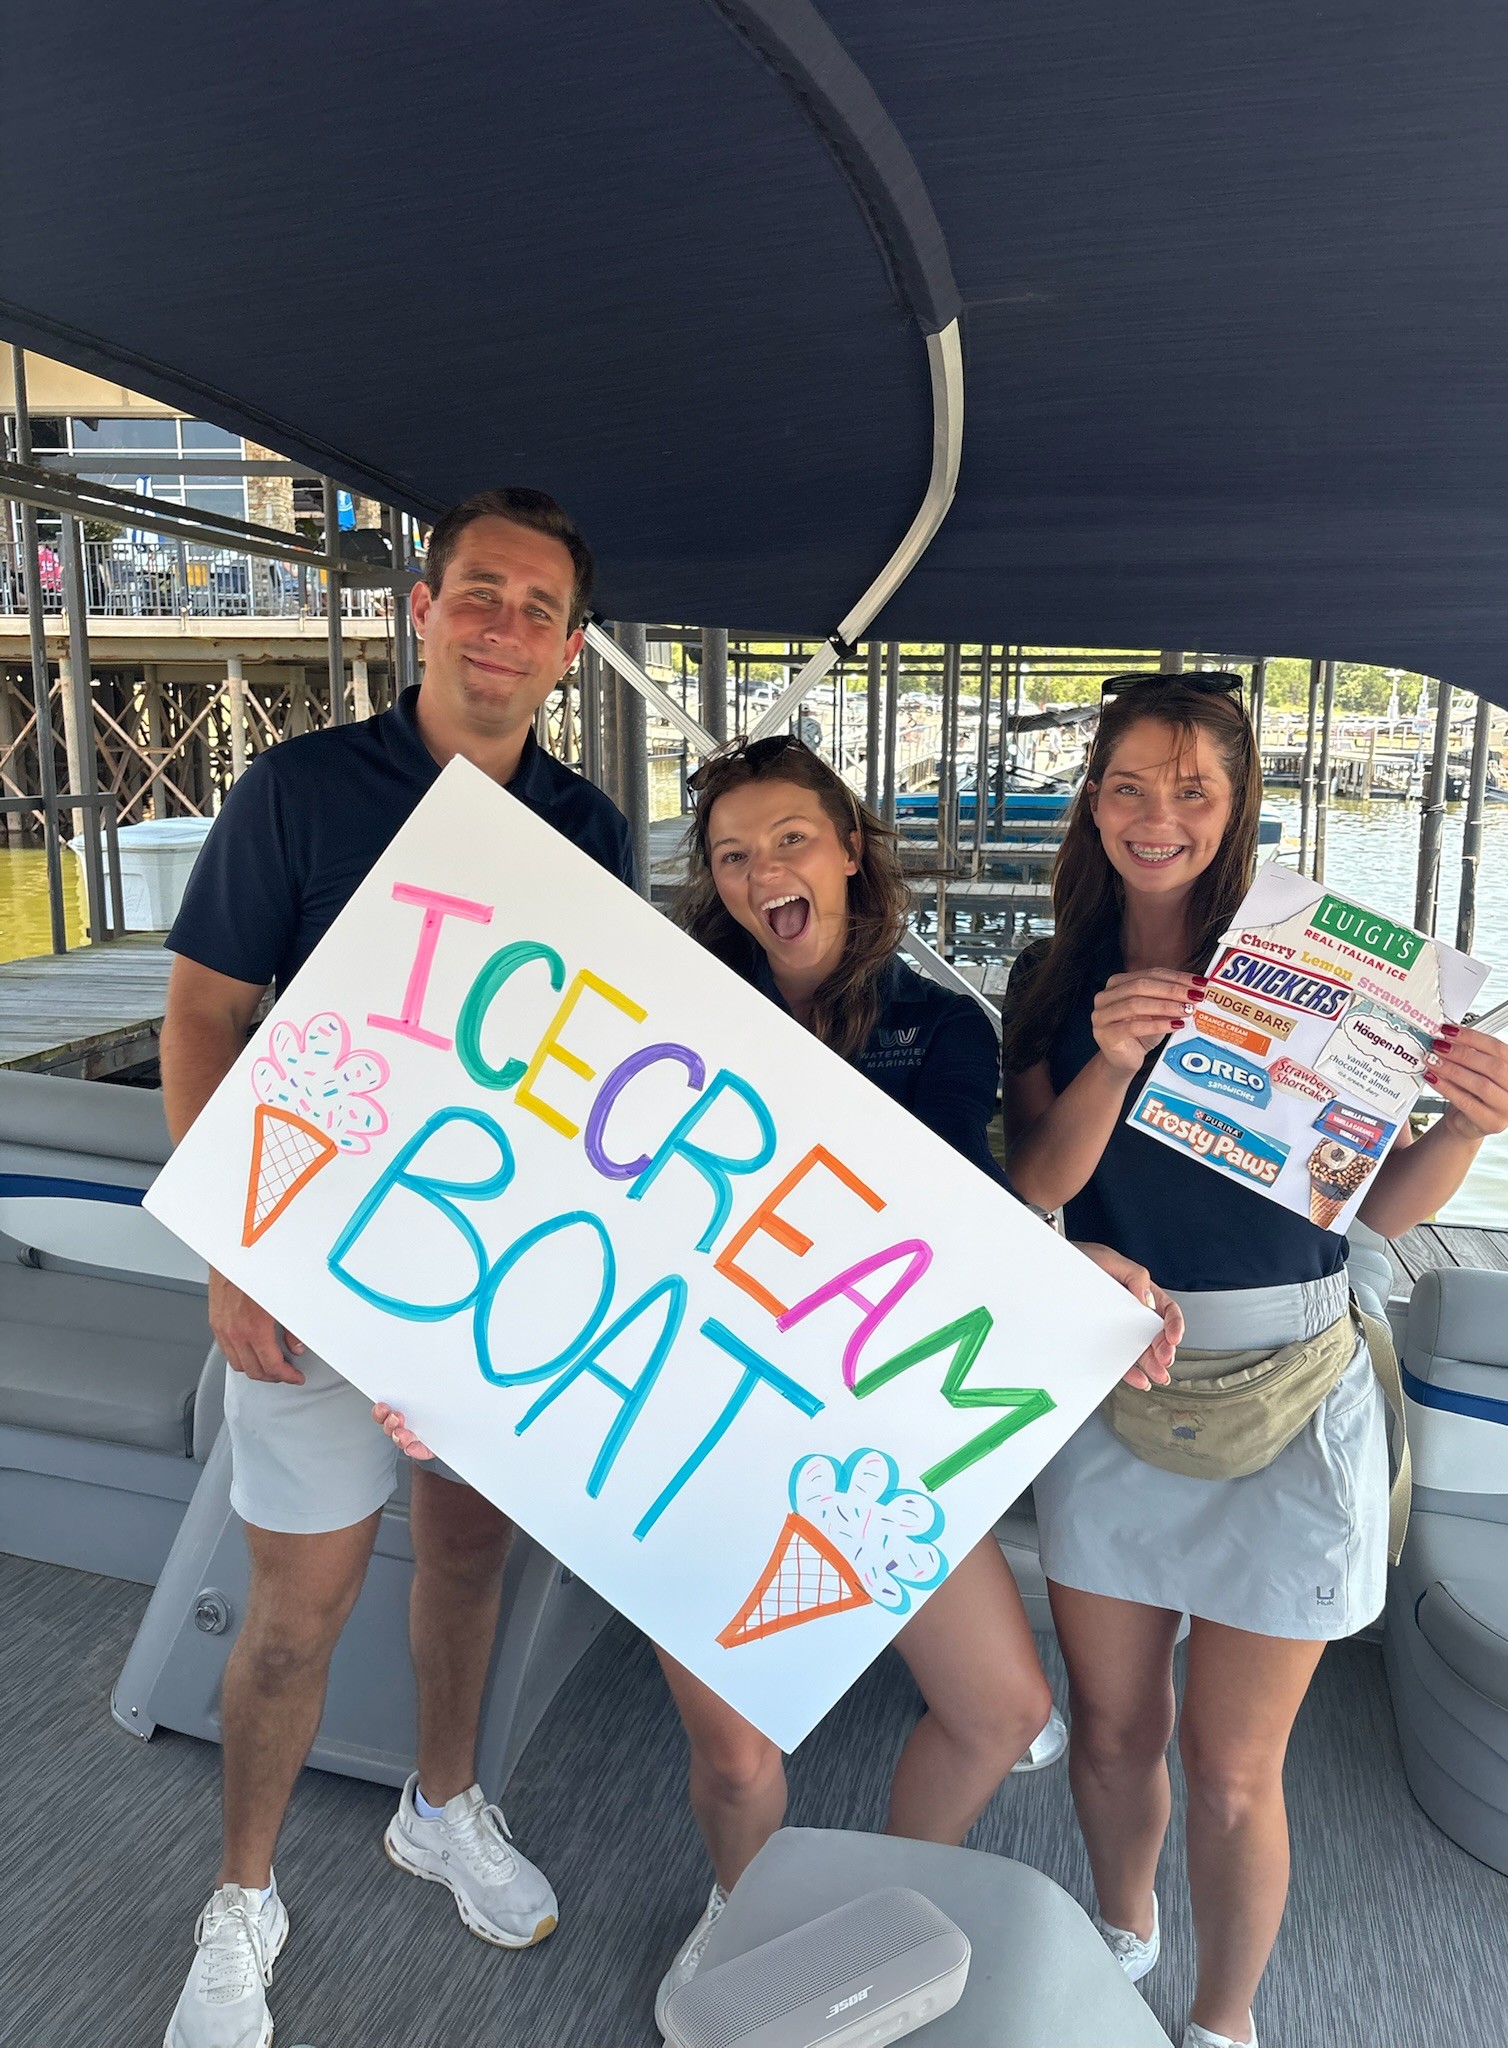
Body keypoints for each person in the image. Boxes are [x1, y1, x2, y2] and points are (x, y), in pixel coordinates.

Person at [379, 730, 1180, 2029]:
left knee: (999, 1708)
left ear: (851, 849)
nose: (764, 874)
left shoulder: (938, 1028)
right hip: (689, 1422)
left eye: (791, 840)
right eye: (735, 856)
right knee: (738, 1752)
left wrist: (1076, 1265)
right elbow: (553, 1180)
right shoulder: (664, 1001)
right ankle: (746, 1923)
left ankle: (869, 1894)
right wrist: (443, 1351)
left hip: (865, 1426)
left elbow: (951, 1222)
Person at [159, 488, 634, 2048]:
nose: (502, 624)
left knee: (468, 1562)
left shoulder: (589, 830)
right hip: (308, 1263)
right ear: (424, 608)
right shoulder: (295, 792)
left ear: (569, 649)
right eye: (477, 591)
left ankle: (443, 1805)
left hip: (490, 1278)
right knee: (293, 1614)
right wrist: (236, 1248)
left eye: (535, 607)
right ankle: (241, 1897)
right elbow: (203, 1015)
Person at [1001, 671, 1508, 2048]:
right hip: (1114, 1372)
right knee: (1112, 1731)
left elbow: (1385, 1205)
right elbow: (1037, 1191)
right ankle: (1126, 1928)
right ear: (1094, 798)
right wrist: (1113, 1058)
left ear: (1237, 807)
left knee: (1232, 1769)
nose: (1156, 813)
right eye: (1128, 783)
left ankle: (1225, 2021)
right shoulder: (1053, 974)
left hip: (1294, 1381)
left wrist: (1471, 1124)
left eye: (1192, 787)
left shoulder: (1328, 978)